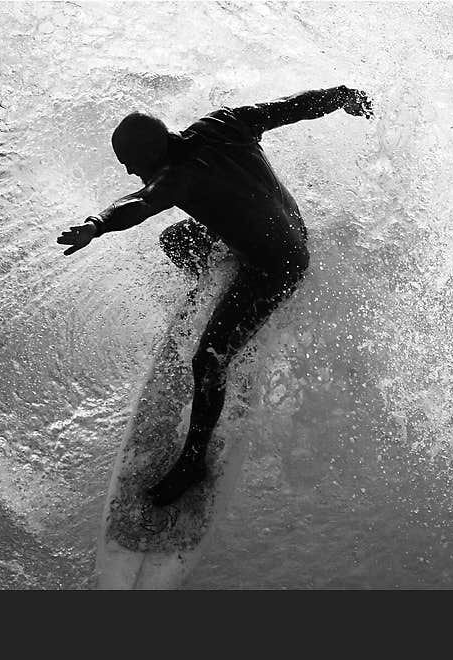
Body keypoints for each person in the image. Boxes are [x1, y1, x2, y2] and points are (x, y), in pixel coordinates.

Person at [57, 85, 373, 506]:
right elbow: (289, 106)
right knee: (176, 241)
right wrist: (342, 96)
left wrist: (96, 224)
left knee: (208, 359)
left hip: (276, 268)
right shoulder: (222, 123)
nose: (131, 172)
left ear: (150, 152)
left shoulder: (176, 177)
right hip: (292, 229)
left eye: (130, 163)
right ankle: (225, 276)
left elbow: (139, 202)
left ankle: (193, 461)